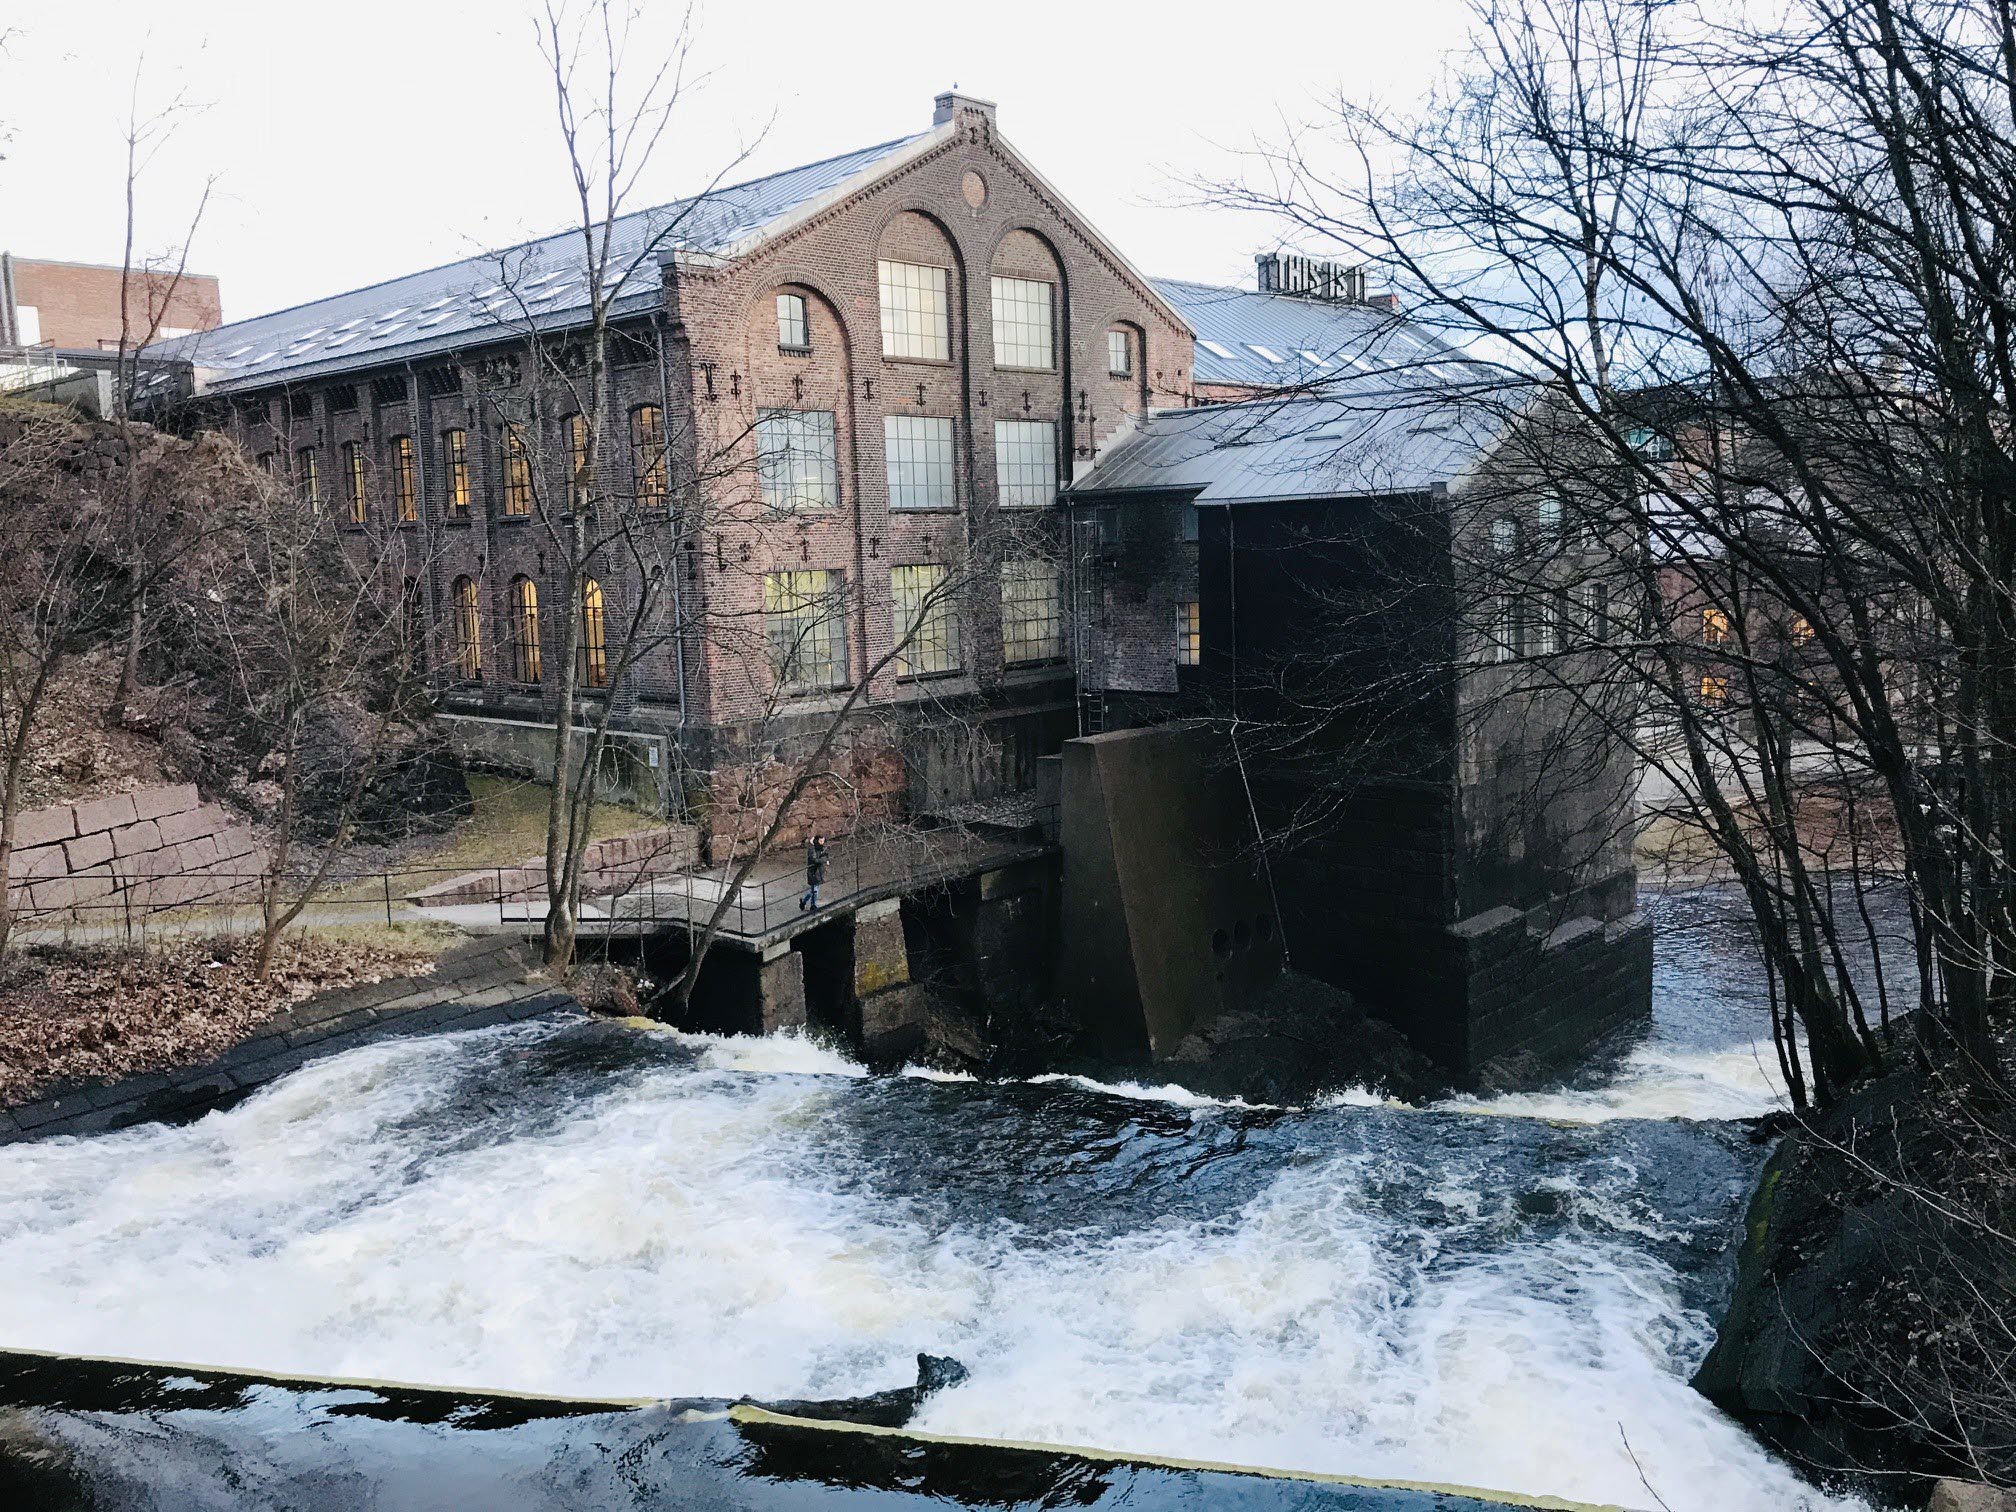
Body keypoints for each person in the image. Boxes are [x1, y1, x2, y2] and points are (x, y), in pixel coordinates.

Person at [799, 833, 828, 912]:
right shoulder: (812, 849)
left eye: (823, 841)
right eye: (821, 841)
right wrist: (823, 860)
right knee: (814, 890)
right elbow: (814, 860)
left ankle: (804, 902)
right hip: (813, 872)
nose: (822, 842)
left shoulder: (822, 849)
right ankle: (813, 905)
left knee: (814, 890)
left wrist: (823, 860)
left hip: (820, 872)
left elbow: (825, 856)